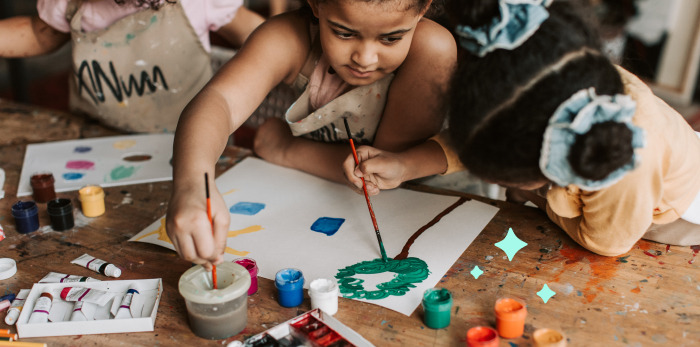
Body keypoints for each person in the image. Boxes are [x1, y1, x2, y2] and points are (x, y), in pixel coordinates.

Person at [343, 0, 700, 256]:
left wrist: (531, 198)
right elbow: (485, 139)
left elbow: (607, 242)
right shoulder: (543, 85)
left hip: (670, 216)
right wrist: (405, 165)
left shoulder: (624, 164)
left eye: (504, 176)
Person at [165, 0, 456, 268]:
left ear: (423, 8)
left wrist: (288, 151)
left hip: (418, 195)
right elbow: (220, 102)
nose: (365, 59)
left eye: (391, 38)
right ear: (316, 3)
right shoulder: (288, 38)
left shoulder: (431, 47)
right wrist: (191, 182)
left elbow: (387, 168)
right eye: (344, 33)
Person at [0, 0, 264, 133]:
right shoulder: (73, 4)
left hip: (189, 144)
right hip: (98, 137)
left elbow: (259, 37)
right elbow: (39, 33)